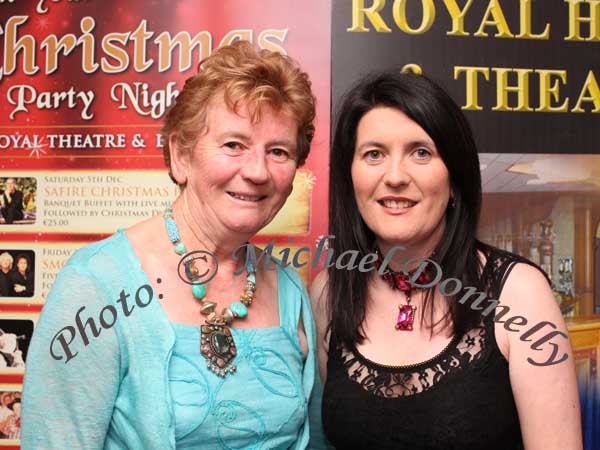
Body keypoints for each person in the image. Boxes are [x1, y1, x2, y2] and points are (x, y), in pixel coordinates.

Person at [22, 41, 328, 450]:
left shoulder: (290, 292)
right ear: (180, 155)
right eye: (233, 144)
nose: (257, 171)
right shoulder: (95, 285)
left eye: (278, 152)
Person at [310, 72, 582, 450]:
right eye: (374, 154)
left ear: (454, 179)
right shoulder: (329, 290)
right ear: (350, 177)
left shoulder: (519, 293)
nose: (394, 177)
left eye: (421, 152)